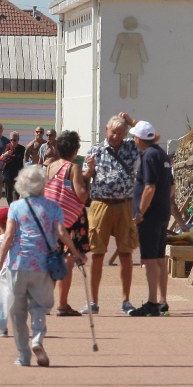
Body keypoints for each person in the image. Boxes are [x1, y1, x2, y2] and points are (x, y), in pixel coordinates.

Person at [0, 165, 85, 367]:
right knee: (39, 308)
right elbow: (62, 232)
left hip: (18, 263)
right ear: (43, 184)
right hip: (42, 265)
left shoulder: (16, 207)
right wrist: (76, 254)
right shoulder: (53, 208)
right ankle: (37, 340)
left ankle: (24, 356)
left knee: (18, 312)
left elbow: (8, 237)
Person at [84, 113, 140, 314]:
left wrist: (132, 122)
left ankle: (126, 301)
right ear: (106, 130)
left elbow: (149, 138)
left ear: (125, 133)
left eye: (119, 132)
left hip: (125, 204)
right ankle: (93, 301)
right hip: (101, 204)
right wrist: (89, 170)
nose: (115, 135)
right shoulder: (96, 150)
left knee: (126, 253)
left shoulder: (132, 147)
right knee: (97, 253)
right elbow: (84, 176)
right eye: (112, 131)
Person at [43, 131, 93, 316]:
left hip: (51, 217)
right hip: (70, 221)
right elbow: (80, 193)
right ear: (75, 150)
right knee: (68, 261)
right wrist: (88, 184)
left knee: (53, 260)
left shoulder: (50, 166)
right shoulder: (73, 167)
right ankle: (62, 304)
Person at [128, 120, 175, 317]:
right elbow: (172, 186)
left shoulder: (148, 156)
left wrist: (140, 212)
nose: (133, 140)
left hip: (151, 215)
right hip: (163, 212)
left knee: (148, 260)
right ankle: (162, 300)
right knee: (159, 259)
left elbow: (149, 187)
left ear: (139, 138)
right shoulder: (162, 154)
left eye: (134, 137)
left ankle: (152, 302)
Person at [0, 206, 11, 337]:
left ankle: (2, 328)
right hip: (16, 270)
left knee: (2, 300)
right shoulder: (18, 236)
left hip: (2, 272)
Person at [2, 131, 26, 204]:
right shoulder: (6, 147)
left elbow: (21, 158)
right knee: (8, 193)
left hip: (17, 174)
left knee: (17, 192)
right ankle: (10, 206)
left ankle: (15, 206)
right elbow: (1, 158)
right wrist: (5, 154)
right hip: (7, 174)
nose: (12, 141)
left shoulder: (22, 149)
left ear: (18, 140)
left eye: (14, 140)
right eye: (11, 140)